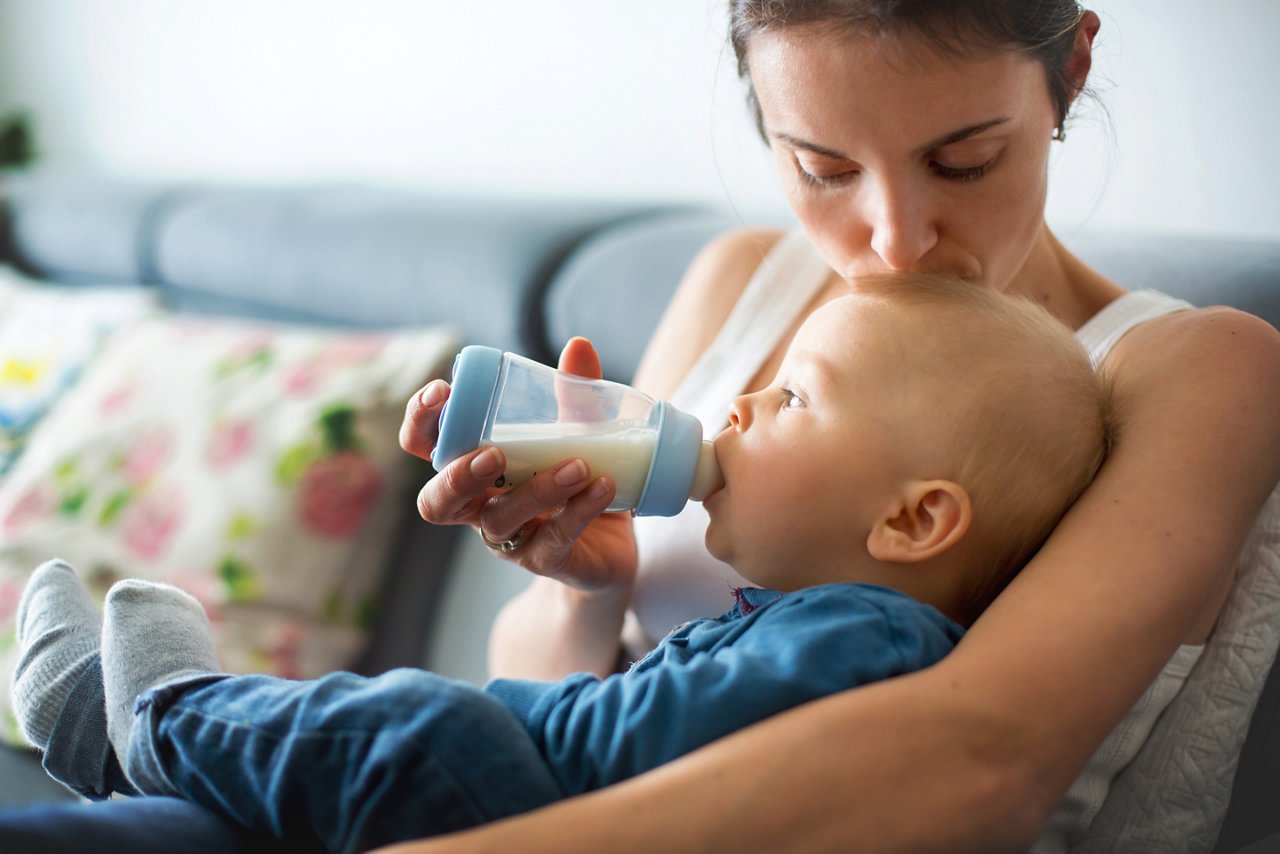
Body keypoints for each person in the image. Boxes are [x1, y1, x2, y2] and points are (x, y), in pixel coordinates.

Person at [395, 2, 1280, 851]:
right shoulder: (740, 280)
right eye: (825, 170)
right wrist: (589, 588)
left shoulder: (1189, 369)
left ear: (1072, 67)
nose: (895, 244)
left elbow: (985, 764)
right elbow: (533, 690)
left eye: (963, 161)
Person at [13, 278, 1112, 853]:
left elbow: (636, 746)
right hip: (530, 802)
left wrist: (490, 720)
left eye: (790, 399)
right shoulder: (787, 611)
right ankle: (131, 747)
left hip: (555, 825)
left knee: (425, 727)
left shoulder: (867, 637)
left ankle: (150, 711)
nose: (736, 403)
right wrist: (596, 584)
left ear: (913, 519)